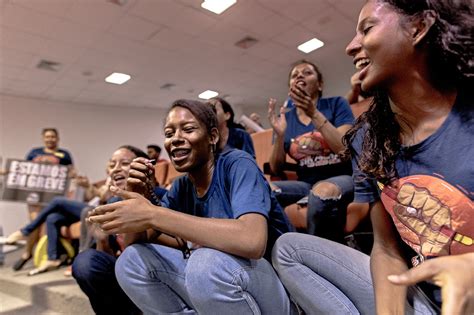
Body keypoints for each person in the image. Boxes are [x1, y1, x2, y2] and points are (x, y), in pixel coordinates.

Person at [272, 1, 473, 314]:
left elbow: (339, 146)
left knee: (324, 193)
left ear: (418, 28)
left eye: (366, 29)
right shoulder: (370, 137)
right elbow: (387, 247)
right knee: (289, 249)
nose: (351, 47)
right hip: (426, 298)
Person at [89, 99, 293, 314]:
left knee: (204, 262)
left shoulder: (237, 163)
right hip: (216, 280)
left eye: (188, 129)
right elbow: (138, 242)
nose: (176, 139)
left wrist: (153, 213)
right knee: (130, 261)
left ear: (212, 137)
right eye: (169, 134)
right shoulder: (182, 186)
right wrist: (137, 195)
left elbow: (252, 242)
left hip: (272, 287)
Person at [268, 60, 355, 242]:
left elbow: (344, 149)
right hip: (305, 183)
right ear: (291, 86)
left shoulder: (336, 104)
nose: (300, 75)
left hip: (342, 177)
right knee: (261, 188)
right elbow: (276, 169)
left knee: (322, 191)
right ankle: (286, 249)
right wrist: (280, 136)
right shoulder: (286, 118)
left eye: (307, 72)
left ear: (320, 84)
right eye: (294, 74)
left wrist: (313, 113)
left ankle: (319, 258)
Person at [72, 145, 151, 315]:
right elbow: (107, 257)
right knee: (86, 262)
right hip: (123, 274)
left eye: (124, 163)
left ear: (143, 166)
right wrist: (102, 239)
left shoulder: (158, 198)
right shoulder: (112, 203)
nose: (116, 169)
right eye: (112, 164)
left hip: (150, 278)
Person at [5, 175, 102, 275]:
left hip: (96, 210)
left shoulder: (112, 181)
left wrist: (89, 186)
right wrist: (86, 186)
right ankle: (52, 258)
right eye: (111, 165)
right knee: (52, 218)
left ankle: (26, 231)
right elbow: (92, 196)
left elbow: (104, 196)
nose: (113, 168)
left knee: (57, 201)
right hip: (86, 209)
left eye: (115, 164)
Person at [12, 128, 75, 271]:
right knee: (34, 222)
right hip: (35, 193)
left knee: (47, 223)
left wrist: (72, 174)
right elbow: (24, 170)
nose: (50, 139)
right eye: (47, 137)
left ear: (57, 138)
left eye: (53, 136)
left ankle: (47, 254)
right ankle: (27, 253)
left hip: (55, 194)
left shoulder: (65, 154)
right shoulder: (34, 152)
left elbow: (71, 171)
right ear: (43, 138)